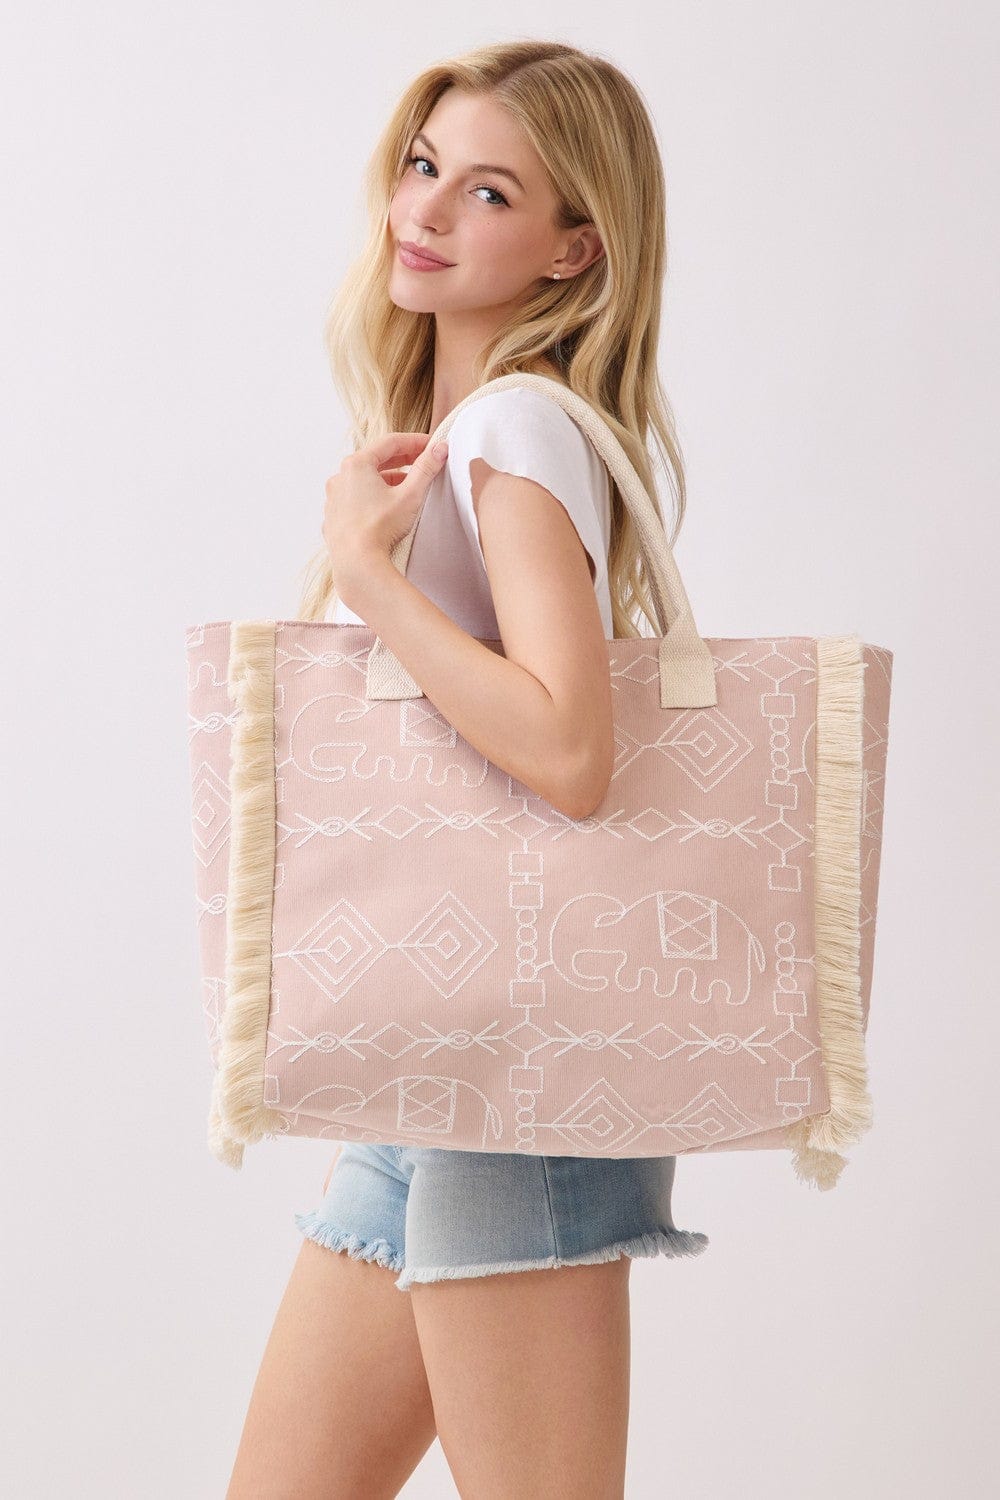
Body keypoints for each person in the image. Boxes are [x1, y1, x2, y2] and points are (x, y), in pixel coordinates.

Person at [226, 39, 708, 1500]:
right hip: (437, 1072)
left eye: (488, 190)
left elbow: (569, 749)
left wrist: (371, 581)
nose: (425, 209)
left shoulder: (514, 424)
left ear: (575, 248)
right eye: (424, 165)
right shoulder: (463, 431)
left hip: (522, 1092)